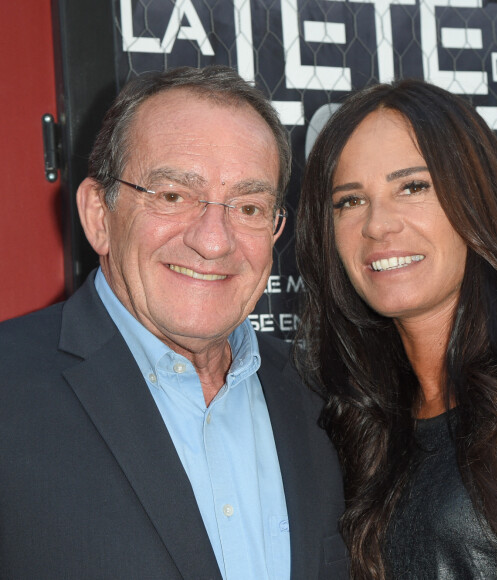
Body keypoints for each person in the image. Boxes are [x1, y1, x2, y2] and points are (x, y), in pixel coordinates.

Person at [0, 66, 348, 580]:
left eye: (249, 207)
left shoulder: (323, 395)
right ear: (100, 215)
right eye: (173, 196)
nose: (213, 241)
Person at [295, 78, 497, 580]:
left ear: (475, 198)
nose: (378, 225)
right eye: (350, 201)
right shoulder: (350, 420)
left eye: (413, 186)